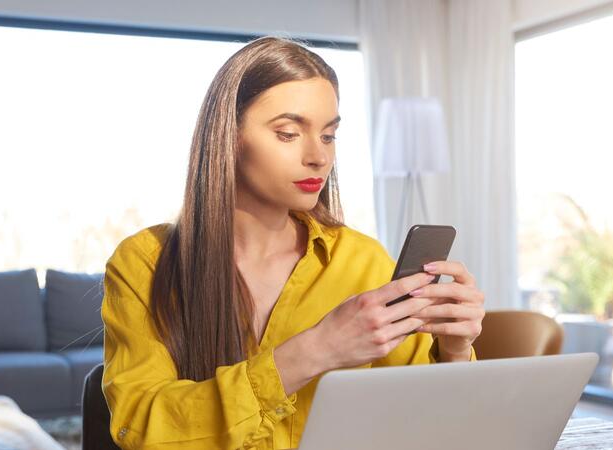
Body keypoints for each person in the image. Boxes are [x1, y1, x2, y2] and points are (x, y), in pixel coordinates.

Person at [100, 35, 486, 450]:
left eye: (328, 136)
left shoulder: (361, 261)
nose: (318, 157)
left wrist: (455, 350)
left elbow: (429, 423)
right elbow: (139, 427)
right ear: (227, 137)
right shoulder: (146, 261)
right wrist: (315, 351)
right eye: (287, 133)